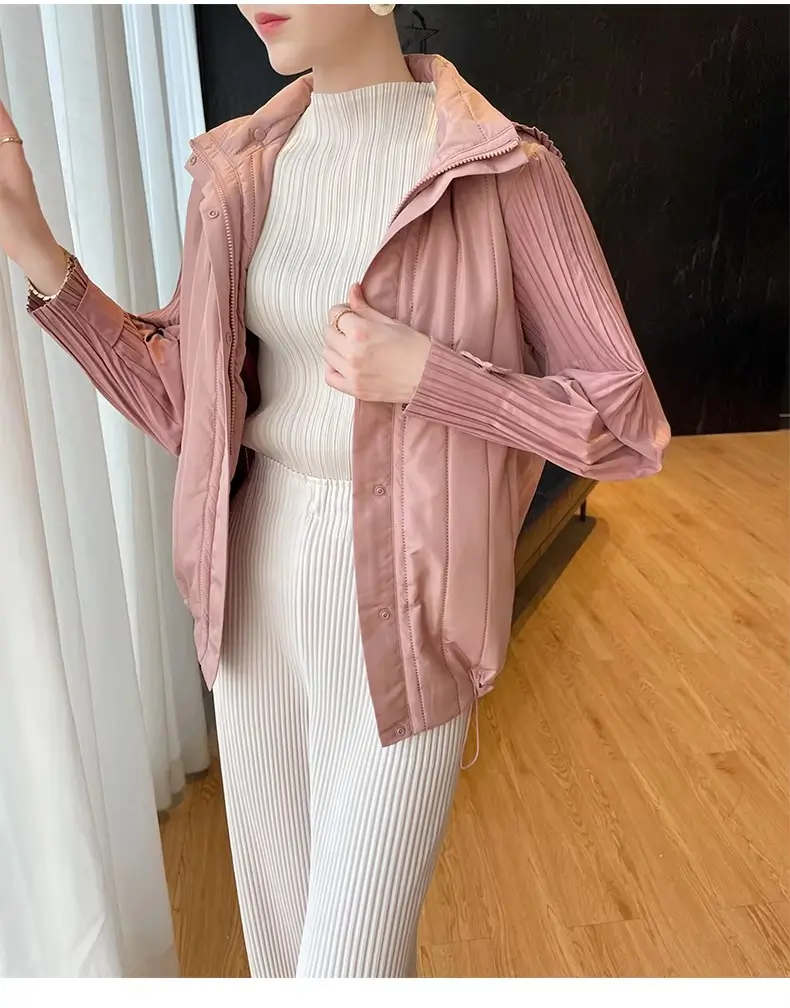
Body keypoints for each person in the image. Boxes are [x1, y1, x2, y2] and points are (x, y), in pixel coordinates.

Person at [0, 3, 670, 979]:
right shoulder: (237, 170)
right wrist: (33, 246)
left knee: (344, 971)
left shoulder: (503, 169)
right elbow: (186, 404)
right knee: (288, 968)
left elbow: (626, 423)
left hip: (410, 603)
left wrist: (431, 377)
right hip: (250, 592)